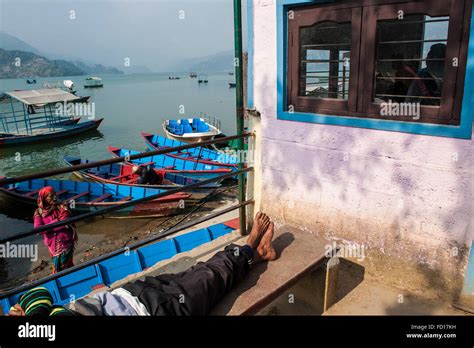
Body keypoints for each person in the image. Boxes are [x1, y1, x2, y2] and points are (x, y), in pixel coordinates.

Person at [7, 212, 276, 316]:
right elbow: (48, 309)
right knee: (208, 279)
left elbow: (39, 293)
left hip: (129, 296)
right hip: (149, 310)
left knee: (198, 273)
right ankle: (252, 247)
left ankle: (254, 251)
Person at [33, 186, 77, 274]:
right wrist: (56, 221)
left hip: (66, 242)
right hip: (52, 246)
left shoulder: (61, 206)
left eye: (55, 194)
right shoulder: (39, 212)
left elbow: (64, 221)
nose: (54, 198)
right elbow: (38, 230)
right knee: (57, 266)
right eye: (51, 196)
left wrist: (47, 227)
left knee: (67, 265)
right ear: (44, 198)